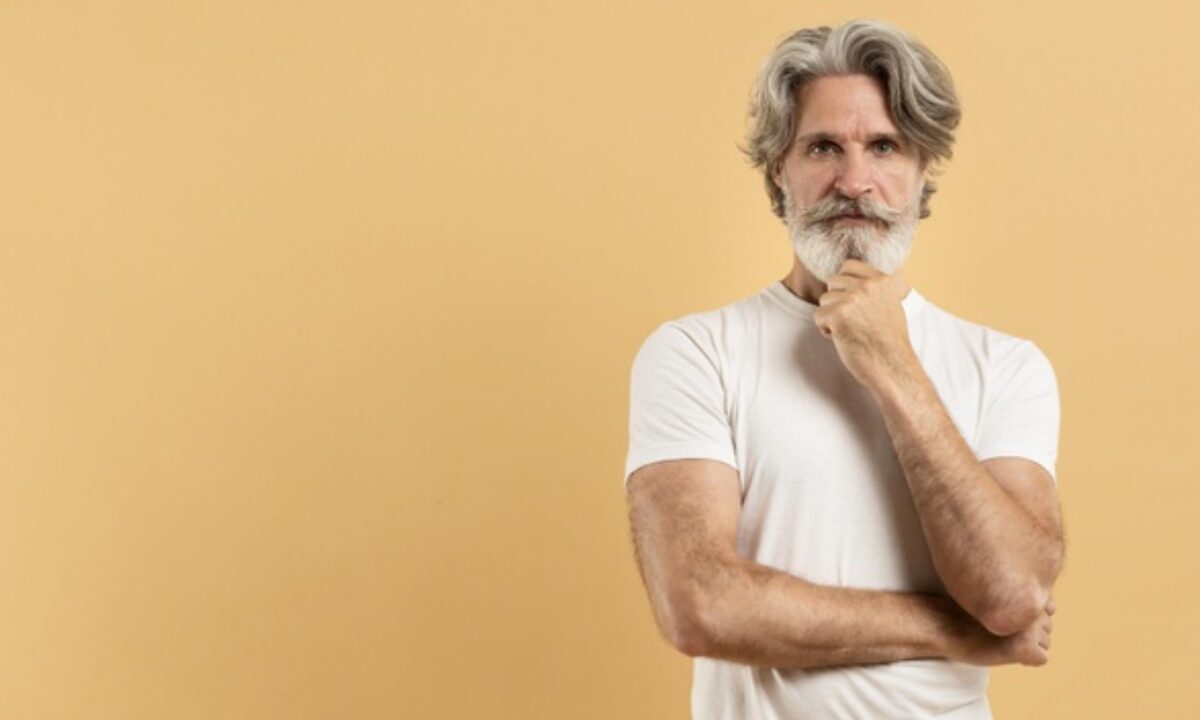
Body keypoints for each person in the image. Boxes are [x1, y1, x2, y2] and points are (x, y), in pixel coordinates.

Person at [623, 19, 1063, 720]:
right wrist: (950, 631)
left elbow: (1012, 595)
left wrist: (893, 365)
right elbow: (701, 605)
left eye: (884, 147)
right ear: (780, 167)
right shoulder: (694, 353)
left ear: (922, 170)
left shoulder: (1006, 367)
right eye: (823, 147)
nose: (855, 182)